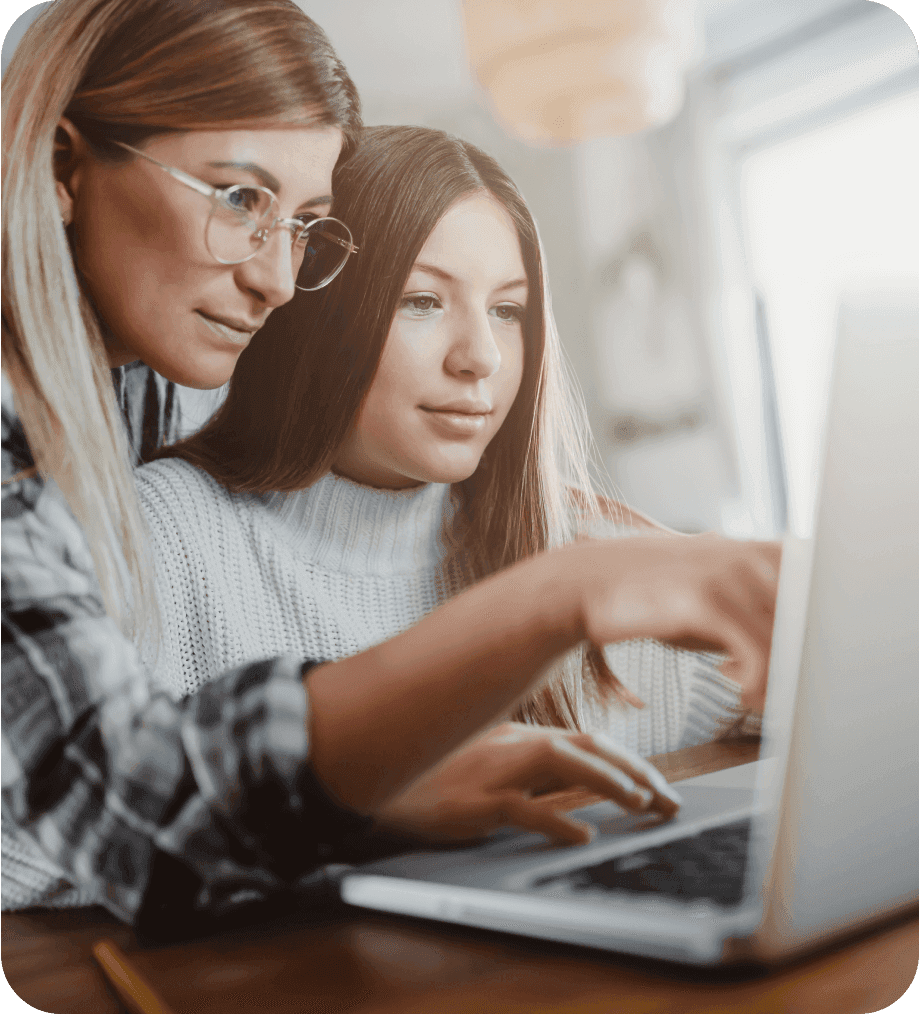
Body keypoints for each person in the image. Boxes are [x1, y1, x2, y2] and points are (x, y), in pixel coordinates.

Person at [1, 0, 778, 935]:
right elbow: (106, 814)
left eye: (303, 226)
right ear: (60, 168)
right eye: (240, 198)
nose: (277, 283)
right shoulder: (121, 487)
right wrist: (560, 591)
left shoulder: (146, 371)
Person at [139, 125, 759, 777]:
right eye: (423, 301)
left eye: (507, 310)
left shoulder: (582, 548)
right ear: (316, 315)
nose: (481, 358)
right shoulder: (169, 536)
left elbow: (836, 683)